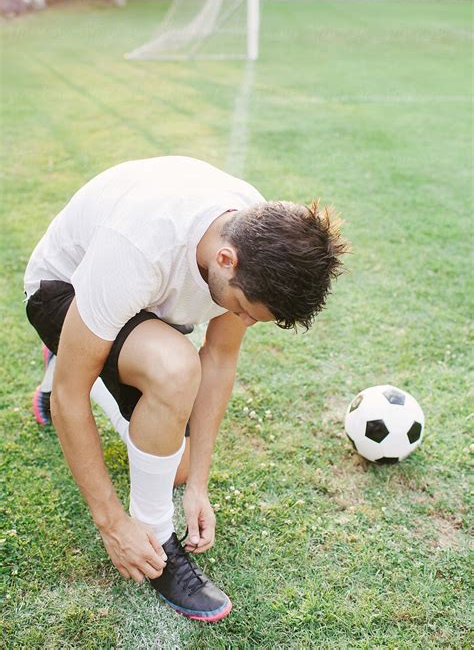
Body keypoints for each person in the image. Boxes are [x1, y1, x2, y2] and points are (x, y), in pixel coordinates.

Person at [24, 155, 349, 623]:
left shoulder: (256, 233)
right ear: (225, 259)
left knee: (174, 468)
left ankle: (73, 358)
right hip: (65, 289)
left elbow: (219, 356)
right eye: (242, 309)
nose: (241, 322)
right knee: (175, 368)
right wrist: (114, 524)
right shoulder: (140, 245)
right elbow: (69, 398)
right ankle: (158, 538)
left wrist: (198, 482)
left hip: (142, 306)